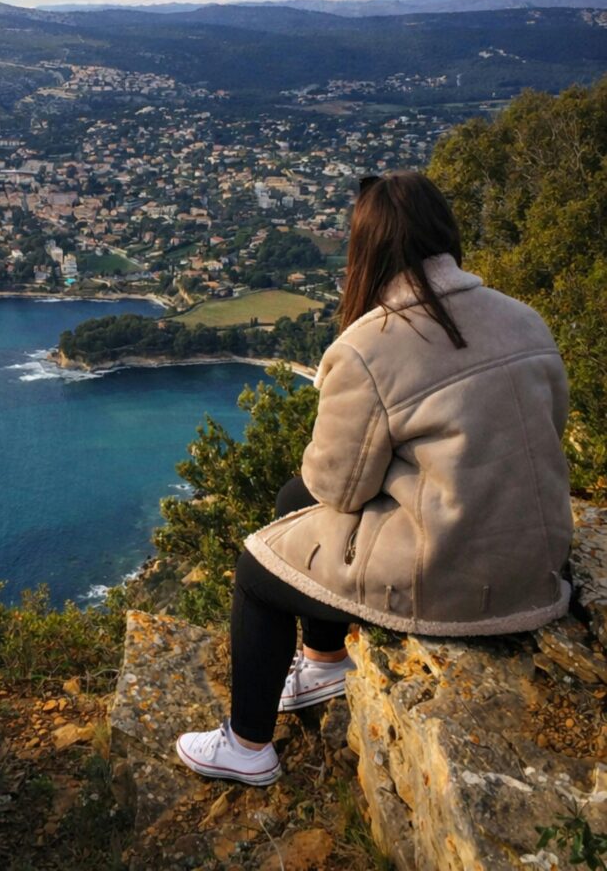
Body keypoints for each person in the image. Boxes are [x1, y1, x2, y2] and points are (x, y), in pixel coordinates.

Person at [175, 170, 573, 787]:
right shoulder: (523, 318)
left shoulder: (372, 344)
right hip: (538, 561)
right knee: (290, 501)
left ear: (366, 248)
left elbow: (339, 488)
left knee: (259, 568)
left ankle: (247, 745)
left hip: (458, 578)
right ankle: (324, 660)